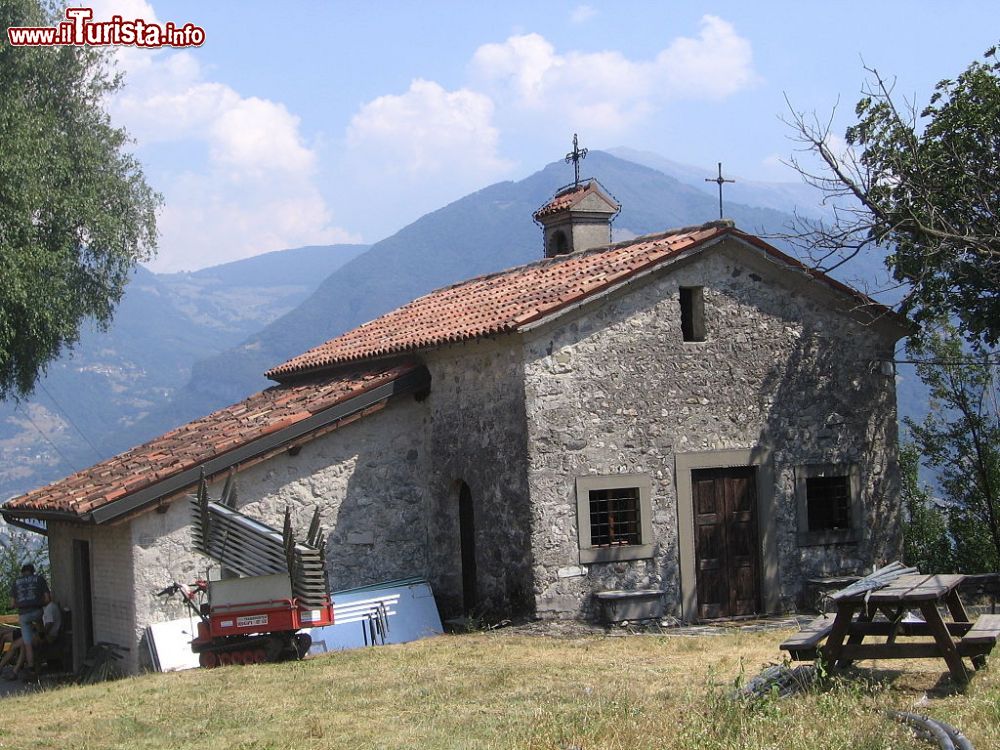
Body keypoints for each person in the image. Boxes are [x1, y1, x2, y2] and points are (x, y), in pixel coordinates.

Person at [9, 563, 49, 676]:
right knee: (39, 618)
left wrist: (17, 605)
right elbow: (47, 599)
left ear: (22, 572)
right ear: (33, 571)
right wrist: (39, 603)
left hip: (23, 614)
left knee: (27, 644)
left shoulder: (16, 582)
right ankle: (42, 635)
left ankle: (31, 668)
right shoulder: (39, 579)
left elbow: (12, 603)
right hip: (37, 610)